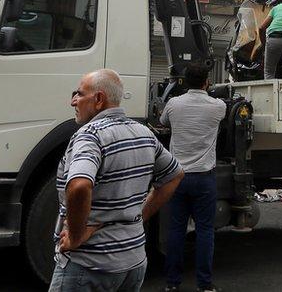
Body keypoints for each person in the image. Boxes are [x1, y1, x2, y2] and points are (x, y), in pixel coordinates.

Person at [50, 69, 183, 292]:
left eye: (79, 94)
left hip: (90, 265)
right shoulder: (143, 133)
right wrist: (140, 215)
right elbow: (174, 175)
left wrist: (75, 236)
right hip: (133, 263)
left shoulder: (90, 135)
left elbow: (79, 185)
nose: (73, 101)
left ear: (99, 99)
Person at [160, 63, 227, 292]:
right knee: (205, 231)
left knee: (176, 230)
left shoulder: (174, 104)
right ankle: (204, 284)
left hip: (177, 177)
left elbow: (162, 122)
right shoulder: (217, 106)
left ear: (185, 82)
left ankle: (172, 283)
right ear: (207, 82)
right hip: (204, 178)